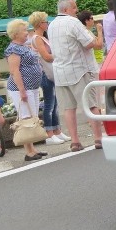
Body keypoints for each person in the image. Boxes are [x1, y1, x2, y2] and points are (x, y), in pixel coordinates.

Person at [48, 0, 104, 151]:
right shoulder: (73, 23)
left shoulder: (52, 25)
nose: (76, 10)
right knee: (91, 105)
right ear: (66, 9)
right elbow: (90, 43)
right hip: (79, 69)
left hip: (60, 71)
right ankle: (98, 138)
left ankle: (75, 141)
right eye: (74, 7)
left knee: (68, 108)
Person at [4, 19, 46, 162]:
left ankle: (32, 148)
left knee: (32, 116)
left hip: (32, 87)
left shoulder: (24, 46)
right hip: (22, 88)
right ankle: (28, 151)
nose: (27, 33)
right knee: (26, 118)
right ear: (16, 33)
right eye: (24, 30)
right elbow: (15, 71)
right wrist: (22, 90)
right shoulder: (13, 49)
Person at [29, 11, 70, 145]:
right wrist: (60, 55)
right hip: (45, 73)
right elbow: (46, 56)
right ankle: (49, 133)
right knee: (49, 104)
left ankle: (57, 130)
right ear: (39, 24)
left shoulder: (43, 37)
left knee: (55, 104)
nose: (47, 23)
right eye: (45, 21)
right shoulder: (37, 38)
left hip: (51, 73)